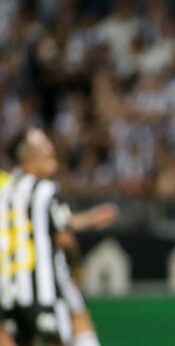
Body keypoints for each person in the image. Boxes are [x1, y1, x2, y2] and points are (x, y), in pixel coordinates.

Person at [0, 130, 110, 346]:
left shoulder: (4, 191)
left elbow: (46, 222)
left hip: (7, 290)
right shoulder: (45, 189)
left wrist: (88, 219)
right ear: (29, 158)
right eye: (46, 151)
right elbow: (63, 237)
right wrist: (78, 267)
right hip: (44, 287)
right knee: (71, 326)